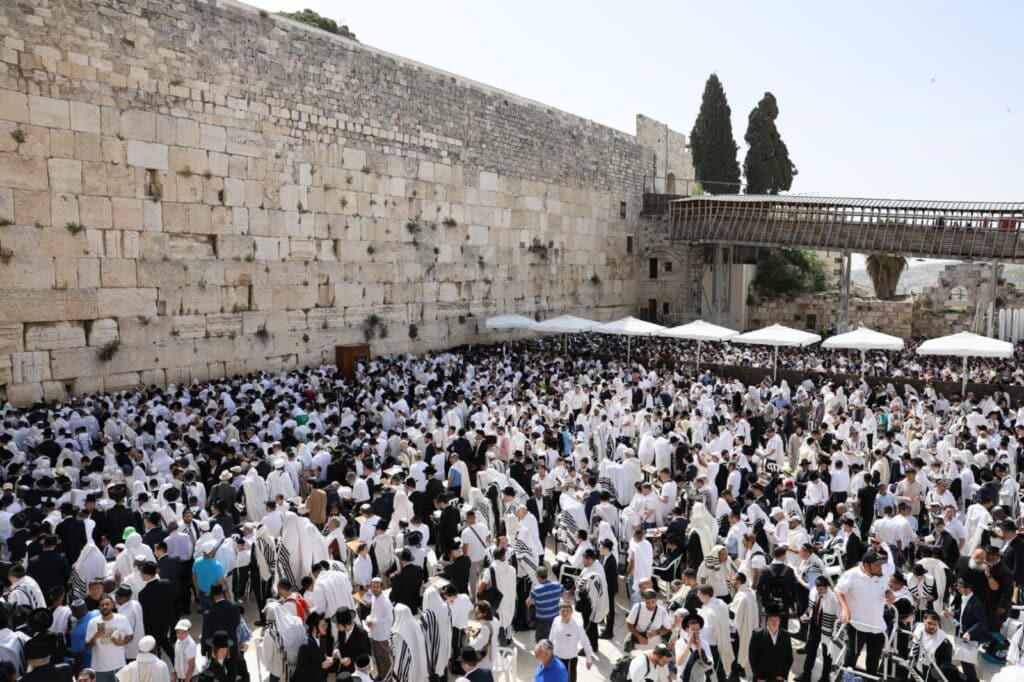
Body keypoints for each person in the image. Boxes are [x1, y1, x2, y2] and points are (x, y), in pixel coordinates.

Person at [835, 546, 893, 676]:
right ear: (866, 565)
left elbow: (885, 589)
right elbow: (838, 591)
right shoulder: (852, 575)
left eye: (881, 565)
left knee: (873, 664)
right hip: (858, 626)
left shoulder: (881, 575)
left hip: (878, 627)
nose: (880, 568)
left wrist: (889, 593)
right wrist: (845, 608)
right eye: (877, 565)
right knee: (850, 661)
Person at [85, 595, 134, 682]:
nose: (105, 606)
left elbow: (130, 636)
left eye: (107, 604)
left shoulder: (122, 619)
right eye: (102, 605)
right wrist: (95, 636)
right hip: (100, 668)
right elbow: (87, 646)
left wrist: (122, 642)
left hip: (119, 665)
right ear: (99, 607)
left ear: (113, 605)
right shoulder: (93, 622)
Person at [953, 579, 989, 682]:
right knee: (964, 660)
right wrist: (952, 613)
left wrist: (969, 632)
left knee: (967, 662)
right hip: (962, 634)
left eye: (959, 586)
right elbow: (961, 612)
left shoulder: (976, 603)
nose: (957, 587)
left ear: (967, 589)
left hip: (970, 638)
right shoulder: (964, 598)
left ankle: (972, 680)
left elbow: (983, 622)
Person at [549, 601, 593, 682]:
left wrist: (589, 659)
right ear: (559, 612)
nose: (565, 613)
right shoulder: (555, 620)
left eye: (567, 611)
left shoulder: (577, 626)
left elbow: (585, 642)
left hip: (570, 660)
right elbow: (551, 638)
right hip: (556, 658)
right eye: (563, 611)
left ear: (571, 612)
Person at [748, 609, 794, 682]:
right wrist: (759, 676)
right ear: (767, 621)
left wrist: (782, 675)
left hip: (778, 678)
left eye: (776, 620)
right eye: (771, 620)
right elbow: (753, 657)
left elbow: (789, 658)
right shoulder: (757, 635)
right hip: (762, 678)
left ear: (780, 621)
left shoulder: (786, 636)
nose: (774, 622)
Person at [527, 566, 564, 642]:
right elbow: (566, 597)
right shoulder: (558, 585)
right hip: (555, 619)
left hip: (542, 621)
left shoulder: (536, 590)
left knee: (541, 643)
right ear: (547, 575)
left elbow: (528, 603)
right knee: (553, 640)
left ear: (538, 577)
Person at [333, 607, 371, 676]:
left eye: (338, 624)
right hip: (343, 669)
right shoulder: (341, 630)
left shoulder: (362, 634)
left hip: (356, 671)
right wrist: (336, 648)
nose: (336, 626)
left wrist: (351, 660)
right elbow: (338, 641)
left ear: (346, 625)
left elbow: (366, 654)